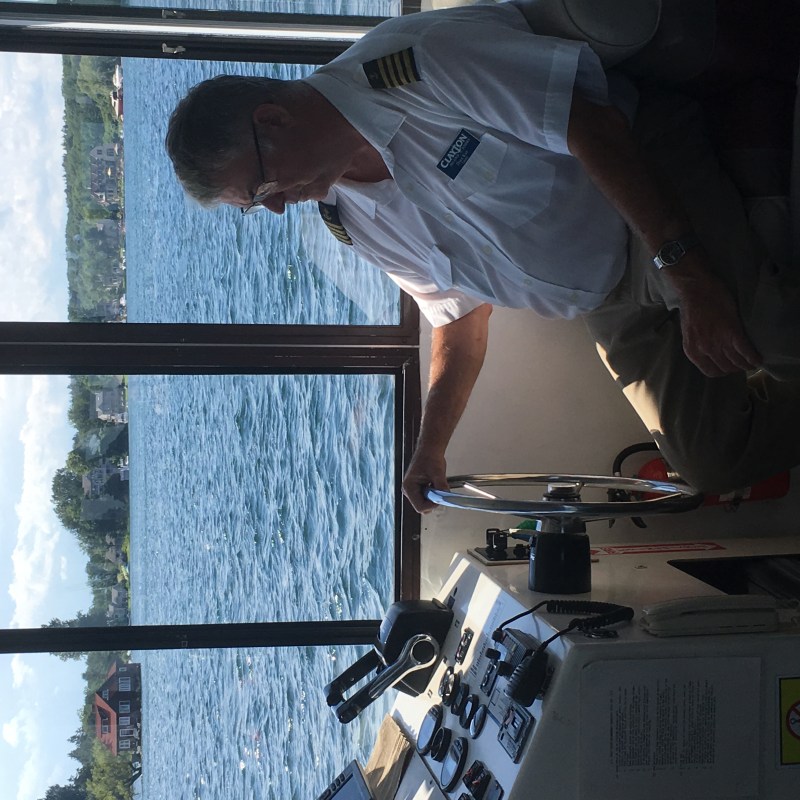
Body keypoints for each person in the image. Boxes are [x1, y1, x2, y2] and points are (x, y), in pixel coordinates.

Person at [165, 0, 800, 513]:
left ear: (272, 121)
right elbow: (459, 319)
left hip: (650, 194)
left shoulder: (417, 64)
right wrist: (430, 450)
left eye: (259, 189)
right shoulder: (347, 218)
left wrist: (688, 278)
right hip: (605, 300)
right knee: (711, 457)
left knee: (778, 336)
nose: (276, 209)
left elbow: (593, 127)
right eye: (254, 207)